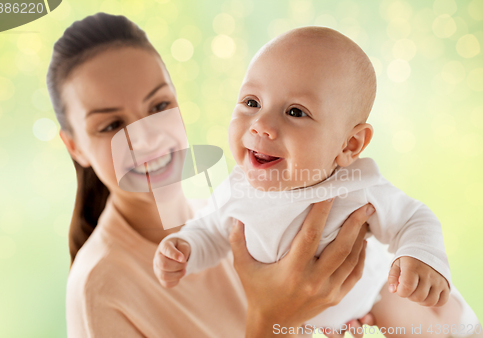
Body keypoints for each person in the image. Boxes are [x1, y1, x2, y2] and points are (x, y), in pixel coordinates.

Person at [47, 13, 376, 337]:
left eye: (159, 106)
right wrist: (275, 319)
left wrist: (343, 307)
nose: (147, 137)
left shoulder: (236, 209)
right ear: (74, 146)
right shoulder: (100, 289)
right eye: (112, 126)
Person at [155, 27, 481, 337]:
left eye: (295, 112)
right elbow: (212, 231)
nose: (261, 125)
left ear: (349, 145)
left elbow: (413, 217)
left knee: (422, 315)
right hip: (286, 319)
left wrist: (421, 256)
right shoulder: (236, 188)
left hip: (372, 294)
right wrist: (186, 248)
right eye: (252, 102)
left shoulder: (356, 186)